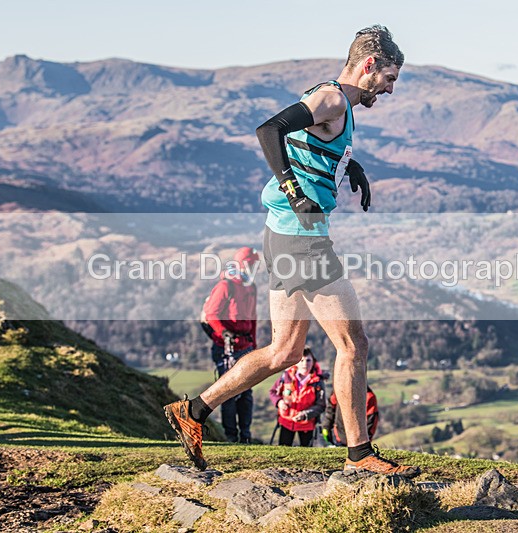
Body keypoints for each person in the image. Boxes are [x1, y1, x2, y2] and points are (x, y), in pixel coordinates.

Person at [164, 25, 419, 477]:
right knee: (353, 344)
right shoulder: (333, 99)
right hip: (302, 238)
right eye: (390, 77)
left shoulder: (339, 106)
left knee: (284, 352)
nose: (391, 88)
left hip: (284, 235)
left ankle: (194, 410)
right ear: (369, 65)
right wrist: (293, 190)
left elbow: (307, 141)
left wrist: (348, 165)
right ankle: (359, 455)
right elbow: (269, 130)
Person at [202, 246, 259, 443]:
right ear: (244, 264)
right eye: (252, 264)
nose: (254, 268)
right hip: (226, 347)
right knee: (229, 392)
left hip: (245, 346)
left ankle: (245, 435)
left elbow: (252, 317)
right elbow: (212, 315)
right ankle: (231, 436)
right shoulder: (226, 286)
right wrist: (224, 333)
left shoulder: (250, 287)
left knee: (246, 393)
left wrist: (254, 342)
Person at [269, 347, 326, 447]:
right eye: (301, 360)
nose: (305, 364)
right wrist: (279, 402)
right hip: (286, 421)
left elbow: (321, 405)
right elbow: (273, 392)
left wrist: (305, 414)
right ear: (296, 362)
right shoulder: (286, 377)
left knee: (306, 454)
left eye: (308, 360)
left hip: (306, 424)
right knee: (283, 451)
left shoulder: (317, 382)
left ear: (313, 362)